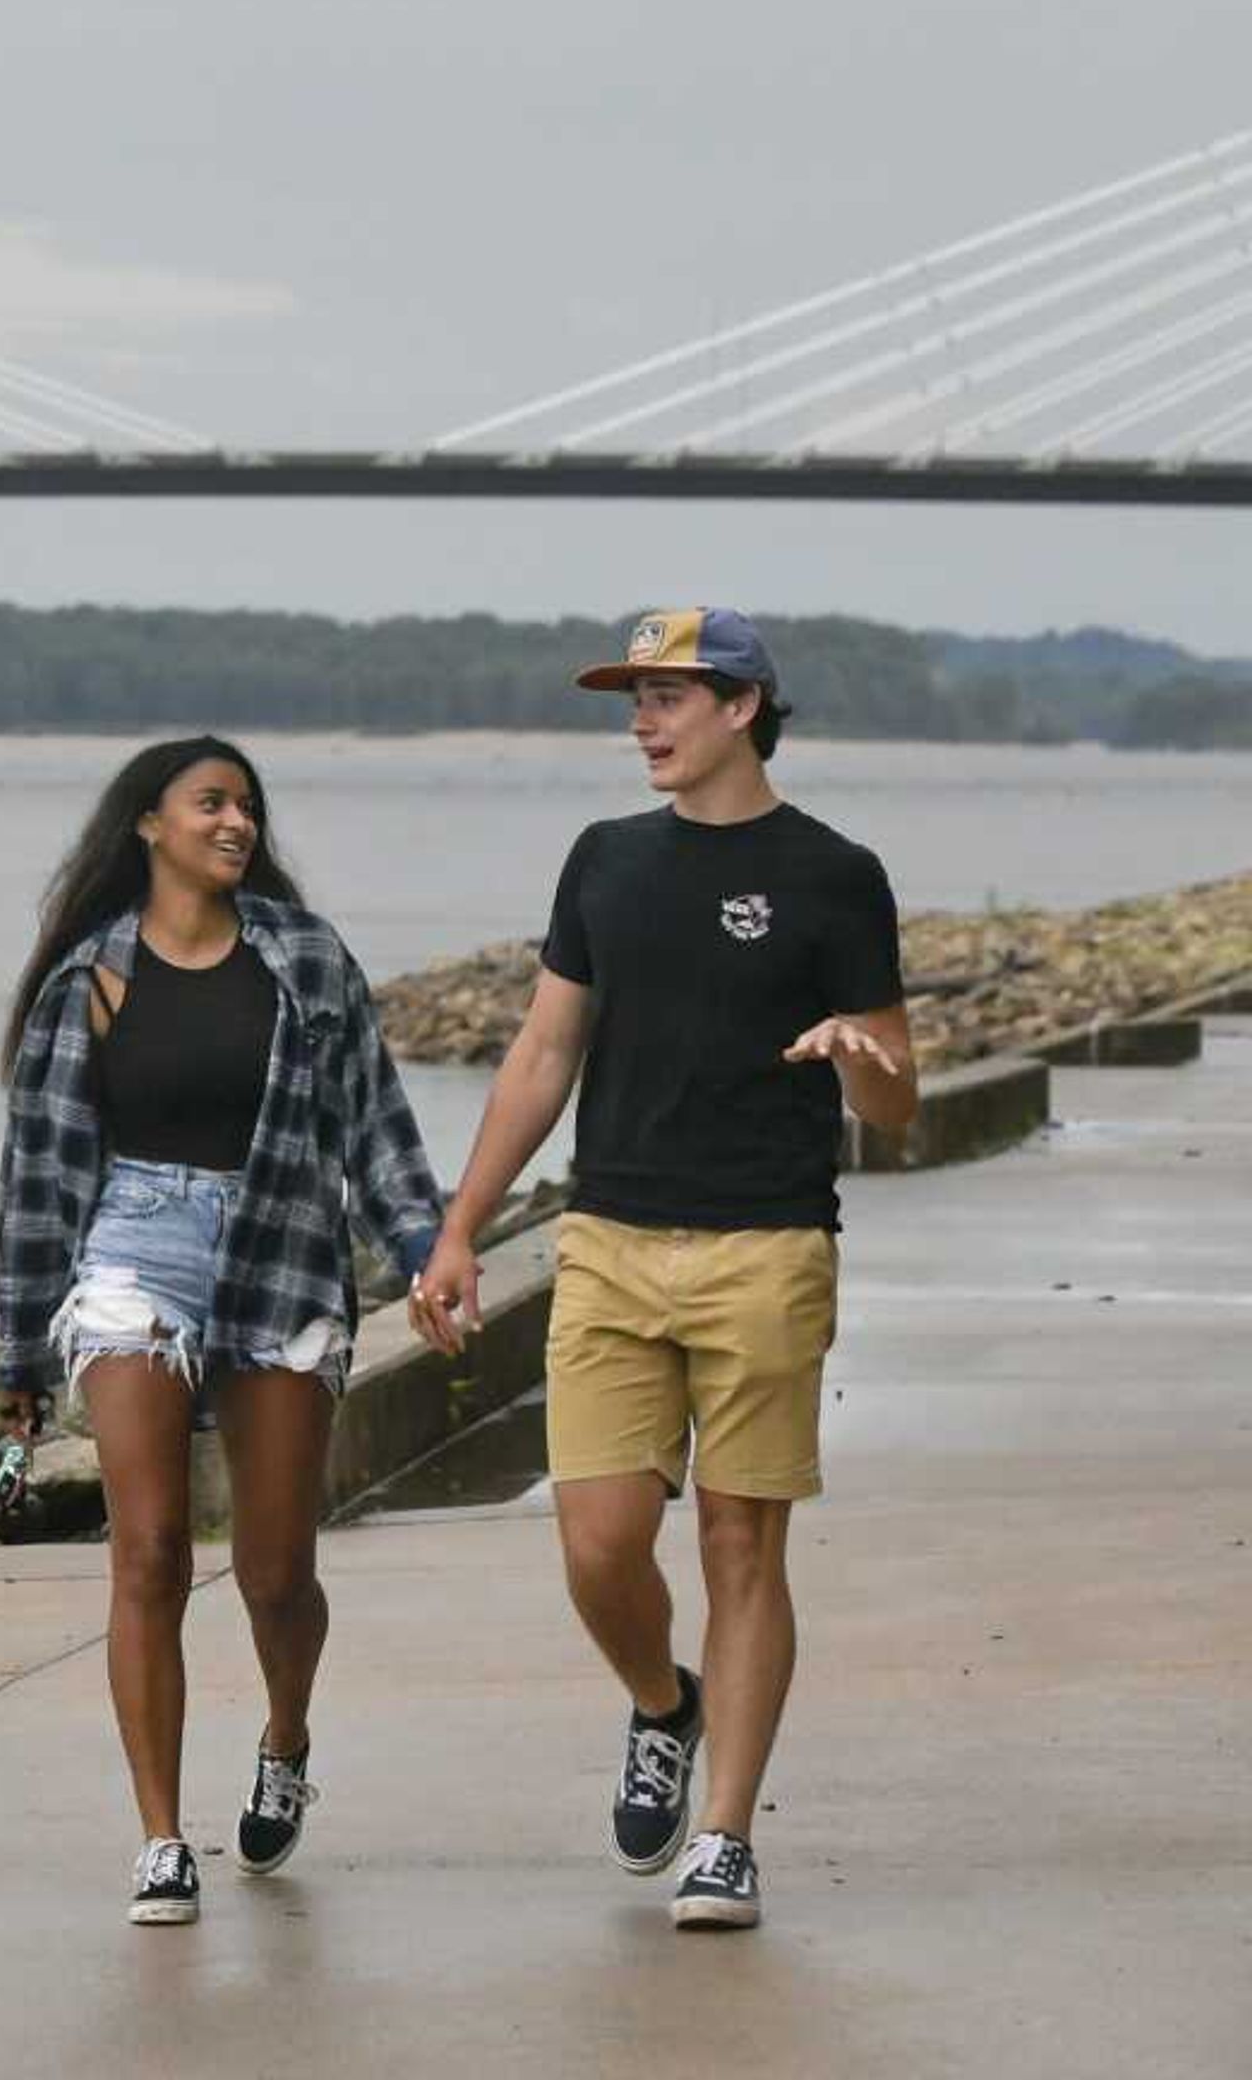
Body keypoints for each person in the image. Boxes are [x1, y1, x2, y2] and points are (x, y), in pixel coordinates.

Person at [411, 607, 914, 1933]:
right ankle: (660, 1703)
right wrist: (460, 1226)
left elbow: (903, 1100)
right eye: (632, 698)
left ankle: (727, 1836)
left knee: (742, 1541)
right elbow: (540, 1054)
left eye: (667, 697)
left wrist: (867, 1064)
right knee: (598, 1546)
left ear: (742, 706)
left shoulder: (836, 873)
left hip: (768, 1245)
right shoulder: (606, 860)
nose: (641, 719)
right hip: (612, 1240)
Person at [0, 735, 444, 1926]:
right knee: (147, 1548)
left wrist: (428, 1255)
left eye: (248, 804)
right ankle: (159, 1836)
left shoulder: (303, 958)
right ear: (148, 824)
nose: (237, 821)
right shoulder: (89, 980)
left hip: (285, 1248)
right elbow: (38, 1176)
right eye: (211, 802)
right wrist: (20, 1350)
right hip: (134, 1244)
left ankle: (286, 1735)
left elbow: (378, 1128)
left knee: (276, 1569)